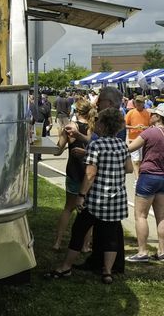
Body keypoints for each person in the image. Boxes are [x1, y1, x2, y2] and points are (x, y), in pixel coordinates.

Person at [49, 108, 133, 284]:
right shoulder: (122, 145)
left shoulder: (96, 145)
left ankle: (66, 267)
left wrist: (81, 195)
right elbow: (129, 169)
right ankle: (107, 272)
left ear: (102, 125)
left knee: (79, 230)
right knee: (111, 236)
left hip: (96, 199)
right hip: (116, 199)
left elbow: (90, 174)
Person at [126, 103, 164, 262]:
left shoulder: (149, 133)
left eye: (152, 114)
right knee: (162, 216)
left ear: (158, 117)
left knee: (141, 215)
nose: (149, 116)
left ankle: (142, 252)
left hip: (149, 176)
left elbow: (130, 149)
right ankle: (161, 251)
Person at [52, 99, 97, 251]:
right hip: (89, 173)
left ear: (76, 111)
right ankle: (85, 245)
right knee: (88, 211)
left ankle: (58, 241)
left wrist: (59, 136)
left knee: (68, 208)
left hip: (73, 171)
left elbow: (57, 151)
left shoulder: (70, 127)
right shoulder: (93, 127)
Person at [125, 96, 151, 180]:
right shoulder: (131, 112)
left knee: (142, 160)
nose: (138, 104)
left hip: (144, 140)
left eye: (140, 102)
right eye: (137, 102)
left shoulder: (147, 113)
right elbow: (124, 125)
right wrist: (134, 127)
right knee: (135, 160)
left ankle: (141, 176)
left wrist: (145, 128)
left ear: (144, 103)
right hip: (133, 140)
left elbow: (151, 126)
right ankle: (137, 179)